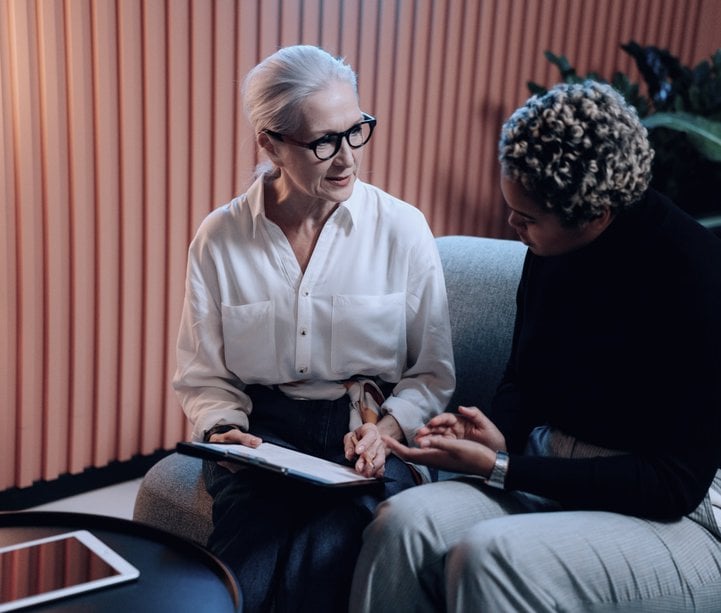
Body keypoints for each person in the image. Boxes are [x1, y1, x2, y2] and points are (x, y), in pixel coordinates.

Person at [349, 80, 721, 612]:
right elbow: (525, 375)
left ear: (596, 215)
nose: (512, 225)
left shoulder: (697, 277)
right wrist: (500, 433)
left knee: (490, 556)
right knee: (403, 525)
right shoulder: (550, 252)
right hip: (556, 472)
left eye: (526, 219)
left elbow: (672, 484)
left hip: (677, 514)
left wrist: (502, 468)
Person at [172, 44, 455, 613]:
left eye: (356, 131)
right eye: (324, 141)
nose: (347, 158)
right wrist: (223, 428)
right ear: (270, 144)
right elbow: (205, 376)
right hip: (264, 434)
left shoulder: (402, 229)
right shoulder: (221, 238)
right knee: (241, 572)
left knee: (323, 554)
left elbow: (432, 372)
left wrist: (387, 431)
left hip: (367, 432)